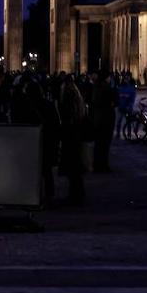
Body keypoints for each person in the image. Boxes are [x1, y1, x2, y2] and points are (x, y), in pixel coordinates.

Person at [56, 77, 88, 205]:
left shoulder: (68, 97)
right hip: (77, 134)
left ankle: (74, 195)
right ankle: (78, 194)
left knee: (72, 167)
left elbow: (65, 115)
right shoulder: (78, 98)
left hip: (70, 135)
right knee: (76, 169)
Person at [90, 71, 118, 172]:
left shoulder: (95, 87)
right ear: (107, 78)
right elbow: (115, 101)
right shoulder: (108, 88)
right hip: (107, 119)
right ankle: (103, 165)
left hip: (98, 119)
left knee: (98, 144)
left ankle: (96, 164)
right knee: (105, 144)